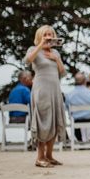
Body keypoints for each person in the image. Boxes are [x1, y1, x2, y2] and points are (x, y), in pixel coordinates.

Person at [24, 25, 66, 168]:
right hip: (41, 90)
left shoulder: (55, 53)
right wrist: (41, 44)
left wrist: (56, 59)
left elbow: (63, 72)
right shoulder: (33, 49)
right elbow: (27, 60)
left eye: (50, 34)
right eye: (45, 34)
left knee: (54, 121)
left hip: (55, 90)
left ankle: (49, 156)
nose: (49, 36)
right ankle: (39, 157)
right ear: (40, 35)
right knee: (43, 122)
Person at [65, 72, 90, 141]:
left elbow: (67, 108)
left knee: (73, 118)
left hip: (76, 121)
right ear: (85, 81)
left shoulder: (69, 95)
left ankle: (79, 140)